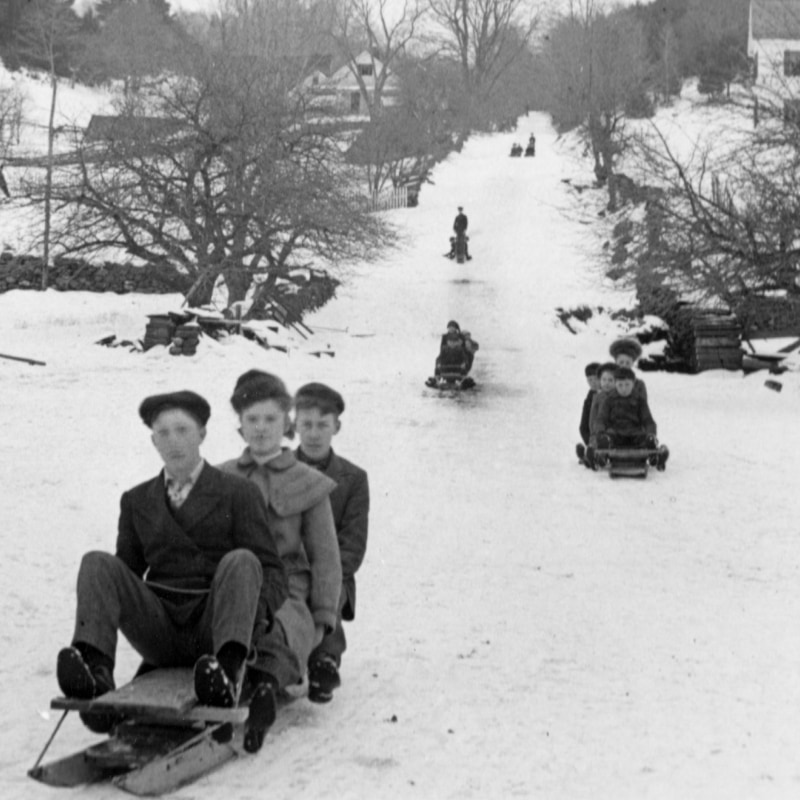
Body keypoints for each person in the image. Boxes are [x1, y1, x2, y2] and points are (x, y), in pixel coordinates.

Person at [55, 390, 288, 749]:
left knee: (242, 560)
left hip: (215, 630)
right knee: (97, 563)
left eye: (182, 430)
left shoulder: (237, 493)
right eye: (162, 433)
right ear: (153, 441)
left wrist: (252, 616)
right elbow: (124, 576)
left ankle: (226, 677)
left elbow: (272, 572)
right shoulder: (137, 500)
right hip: (161, 630)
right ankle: (96, 675)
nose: (173, 441)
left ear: (202, 435)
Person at [218, 371, 342, 735]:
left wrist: (321, 620)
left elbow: (326, 559)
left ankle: (265, 690)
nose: (260, 428)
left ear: (286, 423)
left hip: (288, 589)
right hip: (234, 585)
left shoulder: (308, 482)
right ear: (240, 426)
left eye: (270, 419)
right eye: (252, 419)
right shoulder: (221, 477)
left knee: (280, 630)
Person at [293, 383, 370, 704]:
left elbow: (352, 544)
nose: (313, 434)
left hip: (334, 569)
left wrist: (323, 569)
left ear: (336, 427)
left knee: (331, 582)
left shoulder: (352, 479)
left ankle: (325, 660)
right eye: (306, 424)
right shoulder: (278, 469)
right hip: (288, 567)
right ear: (293, 425)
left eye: (322, 425)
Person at [587, 367, 666, 469]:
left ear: (633, 384)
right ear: (615, 384)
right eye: (620, 385)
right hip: (615, 433)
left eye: (627, 385)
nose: (624, 389)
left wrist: (651, 433)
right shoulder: (609, 400)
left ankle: (653, 455)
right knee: (607, 438)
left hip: (634, 433)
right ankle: (602, 455)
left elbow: (648, 420)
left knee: (645, 439)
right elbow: (601, 418)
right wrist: (600, 431)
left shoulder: (639, 400)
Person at [576, 362, 600, 462]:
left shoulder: (607, 394)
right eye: (590, 380)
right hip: (592, 429)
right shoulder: (590, 396)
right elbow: (585, 418)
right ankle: (591, 449)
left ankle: (598, 452)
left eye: (596, 379)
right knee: (583, 428)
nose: (593, 382)